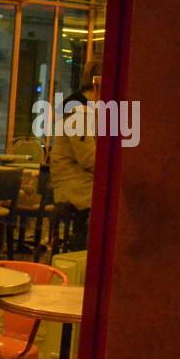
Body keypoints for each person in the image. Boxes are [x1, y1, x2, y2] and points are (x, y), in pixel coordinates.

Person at [49, 61, 100, 249]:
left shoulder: (83, 108)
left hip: (75, 180)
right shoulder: (79, 112)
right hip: (75, 185)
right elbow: (89, 158)